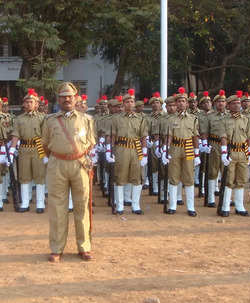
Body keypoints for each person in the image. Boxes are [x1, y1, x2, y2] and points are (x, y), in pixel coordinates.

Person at [42, 82, 96, 262]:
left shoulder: (87, 120)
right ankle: (56, 248)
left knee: (82, 206)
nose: (67, 99)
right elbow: (45, 144)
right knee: (57, 208)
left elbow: (91, 143)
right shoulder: (50, 121)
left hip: (80, 164)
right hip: (57, 164)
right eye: (63, 96)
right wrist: (59, 155)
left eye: (70, 96)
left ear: (76, 98)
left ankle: (84, 247)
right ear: (58, 99)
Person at [106, 89, 148, 215]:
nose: (130, 103)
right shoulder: (116, 119)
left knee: (136, 177)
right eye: (127, 102)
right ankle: (120, 206)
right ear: (123, 104)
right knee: (120, 177)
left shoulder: (140, 119)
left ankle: (135, 205)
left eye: (132, 101)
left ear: (134, 103)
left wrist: (144, 154)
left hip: (136, 150)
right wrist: (109, 151)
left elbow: (143, 137)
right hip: (121, 150)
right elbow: (111, 137)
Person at [162, 87, 200, 216]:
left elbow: (195, 136)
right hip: (175, 148)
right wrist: (165, 151)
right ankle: (172, 206)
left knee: (189, 178)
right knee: (173, 177)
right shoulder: (171, 119)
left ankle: (191, 207)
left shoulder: (193, 118)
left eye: (183, 101)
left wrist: (197, 153)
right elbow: (169, 136)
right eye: (179, 101)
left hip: (189, 148)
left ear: (187, 103)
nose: (181, 103)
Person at [9, 89, 47, 213]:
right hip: (24, 149)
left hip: (38, 149)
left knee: (40, 176)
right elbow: (15, 135)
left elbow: (46, 136)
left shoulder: (43, 118)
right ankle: (25, 202)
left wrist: (46, 152)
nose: (29, 104)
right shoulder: (19, 119)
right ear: (24, 104)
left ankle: (40, 204)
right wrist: (11, 150)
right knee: (24, 176)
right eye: (27, 102)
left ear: (36, 104)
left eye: (31, 102)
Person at [219, 91, 250, 217]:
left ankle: (240, 206)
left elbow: (248, 137)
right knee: (229, 180)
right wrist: (224, 153)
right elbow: (223, 137)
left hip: (242, 152)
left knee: (241, 179)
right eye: (233, 103)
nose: (237, 105)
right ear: (228, 106)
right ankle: (225, 206)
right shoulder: (224, 120)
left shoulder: (246, 119)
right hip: (231, 151)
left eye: (238, 103)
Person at [202, 90, 228, 207]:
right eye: (218, 101)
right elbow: (205, 132)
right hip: (214, 144)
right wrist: (205, 144)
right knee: (212, 171)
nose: (221, 103)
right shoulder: (210, 116)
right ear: (215, 103)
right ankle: (211, 197)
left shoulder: (230, 116)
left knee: (227, 172)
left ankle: (226, 197)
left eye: (223, 101)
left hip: (228, 146)